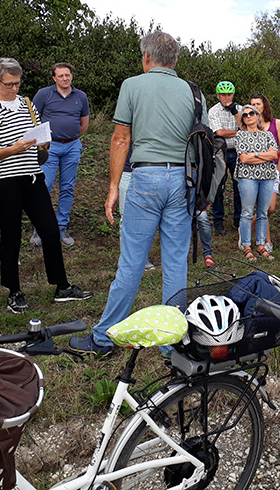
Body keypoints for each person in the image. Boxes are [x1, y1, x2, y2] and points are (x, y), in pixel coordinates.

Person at [69, 31, 203, 356]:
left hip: (145, 177)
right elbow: (203, 142)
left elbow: (119, 139)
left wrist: (114, 187)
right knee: (175, 264)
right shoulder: (194, 91)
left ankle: (103, 339)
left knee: (131, 261)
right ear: (174, 60)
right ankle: (172, 344)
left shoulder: (132, 85)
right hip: (184, 181)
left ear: (146, 57)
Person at [0, 57, 92, 314]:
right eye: (9, 84)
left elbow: (39, 132)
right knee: (11, 236)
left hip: (32, 176)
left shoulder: (28, 103)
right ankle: (13, 291)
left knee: (50, 232)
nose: (14, 89)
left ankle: (61, 286)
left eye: (17, 83)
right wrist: (13, 149)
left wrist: (44, 142)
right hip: (4, 180)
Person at [31, 63, 90, 247]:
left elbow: (84, 123)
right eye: (61, 75)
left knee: (67, 187)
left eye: (68, 75)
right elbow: (32, 118)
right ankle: (39, 227)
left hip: (72, 146)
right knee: (44, 186)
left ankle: (61, 226)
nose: (65, 78)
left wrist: (71, 137)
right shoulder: (44, 94)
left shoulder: (80, 96)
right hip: (50, 146)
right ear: (54, 78)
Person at [235, 105, 279, 261]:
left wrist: (254, 154)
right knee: (247, 212)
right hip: (247, 177)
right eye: (245, 115)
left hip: (267, 177)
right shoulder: (240, 135)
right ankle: (247, 246)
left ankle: (261, 245)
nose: (248, 116)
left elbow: (274, 154)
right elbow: (244, 159)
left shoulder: (268, 135)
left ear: (258, 115)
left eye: (251, 113)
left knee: (263, 212)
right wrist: (263, 155)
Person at [249, 93, 280, 249]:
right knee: (262, 207)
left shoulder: (276, 123)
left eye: (258, 103)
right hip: (255, 171)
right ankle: (266, 241)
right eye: (252, 104)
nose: (255, 107)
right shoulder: (249, 124)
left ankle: (245, 229)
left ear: (264, 105)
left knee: (270, 208)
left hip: (272, 171)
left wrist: (278, 169)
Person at [208, 81, 243, 235]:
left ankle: (238, 219)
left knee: (239, 187)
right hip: (220, 151)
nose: (226, 98)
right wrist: (239, 132)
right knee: (219, 187)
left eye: (229, 94)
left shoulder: (240, 109)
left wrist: (236, 114)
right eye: (223, 95)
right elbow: (219, 132)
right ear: (218, 96)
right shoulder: (213, 111)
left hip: (238, 151)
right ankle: (218, 221)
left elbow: (248, 127)